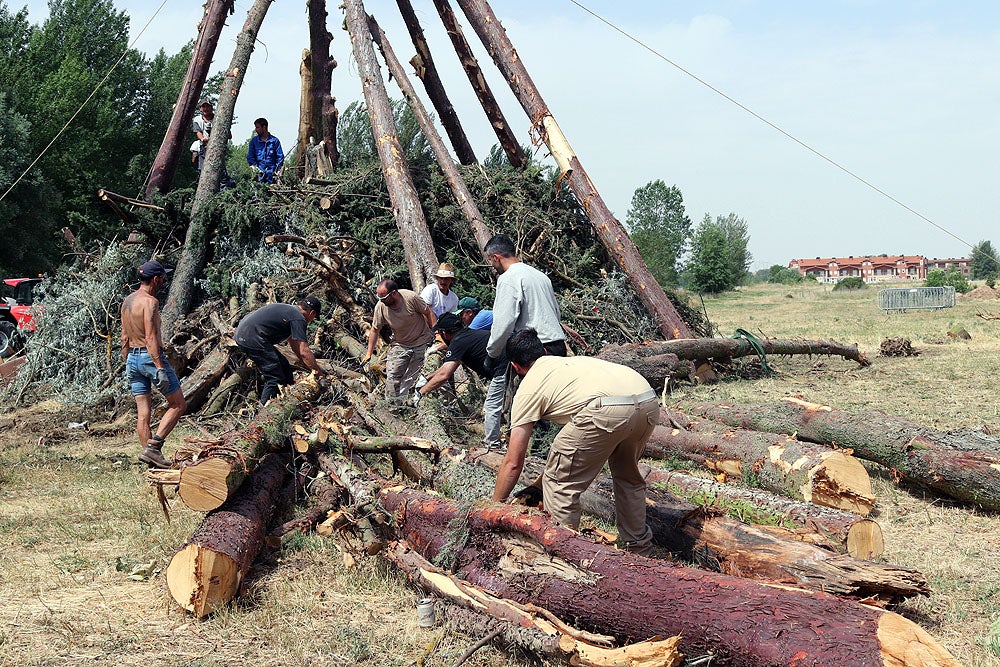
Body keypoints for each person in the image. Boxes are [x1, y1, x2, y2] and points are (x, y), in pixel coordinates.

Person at [492, 329, 658, 555]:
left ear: (515, 366)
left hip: (606, 409)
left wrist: (494, 508)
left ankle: (566, 556)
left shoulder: (528, 387)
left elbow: (513, 461)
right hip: (647, 400)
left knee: (560, 486)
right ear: (543, 351)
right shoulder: (570, 365)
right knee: (628, 478)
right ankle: (639, 549)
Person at [120, 260, 187, 469]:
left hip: (132, 359)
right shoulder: (150, 302)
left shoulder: (127, 301)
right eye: (163, 277)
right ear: (156, 279)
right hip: (150, 358)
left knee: (143, 413)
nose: (164, 280)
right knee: (178, 404)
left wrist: (128, 363)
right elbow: (150, 337)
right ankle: (155, 446)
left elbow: (124, 338)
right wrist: (159, 367)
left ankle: (151, 462)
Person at [413, 313, 508, 448]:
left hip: (503, 370)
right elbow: (446, 368)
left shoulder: (458, 341)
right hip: (510, 365)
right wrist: (426, 378)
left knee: (491, 406)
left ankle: (492, 445)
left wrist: (421, 392)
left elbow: (445, 375)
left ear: (445, 333)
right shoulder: (467, 336)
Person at [484, 234, 565, 364]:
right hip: (558, 345)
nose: (492, 265)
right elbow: (556, 312)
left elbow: (504, 322)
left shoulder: (508, 279)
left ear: (496, 257)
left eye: (490, 260)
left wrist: (492, 353)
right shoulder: (540, 275)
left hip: (535, 349)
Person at [234, 297, 327, 404]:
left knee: (284, 367)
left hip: (245, 334)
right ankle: (264, 412)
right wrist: (319, 375)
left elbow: (296, 347)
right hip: (252, 338)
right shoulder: (298, 318)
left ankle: (288, 401)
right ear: (312, 313)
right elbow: (304, 352)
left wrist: (309, 367)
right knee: (275, 376)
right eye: (314, 317)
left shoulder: (289, 311)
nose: (312, 320)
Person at [365, 279, 436, 403]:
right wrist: (369, 353)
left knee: (412, 377)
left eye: (384, 297)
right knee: (392, 375)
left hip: (421, 340)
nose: (381, 301)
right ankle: (393, 405)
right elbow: (375, 329)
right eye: (379, 298)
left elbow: (428, 312)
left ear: (394, 293)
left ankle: (406, 403)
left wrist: (436, 334)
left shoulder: (410, 298)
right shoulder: (381, 307)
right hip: (400, 344)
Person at [192, 99, 234, 187]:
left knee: (221, 174)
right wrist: (203, 138)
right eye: (204, 106)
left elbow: (229, 135)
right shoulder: (197, 120)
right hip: (203, 149)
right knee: (202, 173)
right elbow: (198, 132)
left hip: (217, 149)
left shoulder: (218, 119)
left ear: (211, 107)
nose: (206, 108)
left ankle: (225, 192)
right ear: (200, 109)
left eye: (208, 106)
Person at [246, 117, 284, 184]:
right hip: (259, 176)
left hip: (272, 175)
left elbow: (280, 157)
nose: (256, 130)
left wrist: (277, 170)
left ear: (264, 127)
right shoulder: (254, 141)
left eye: (257, 127)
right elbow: (250, 157)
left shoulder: (275, 141)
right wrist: (256, 169)